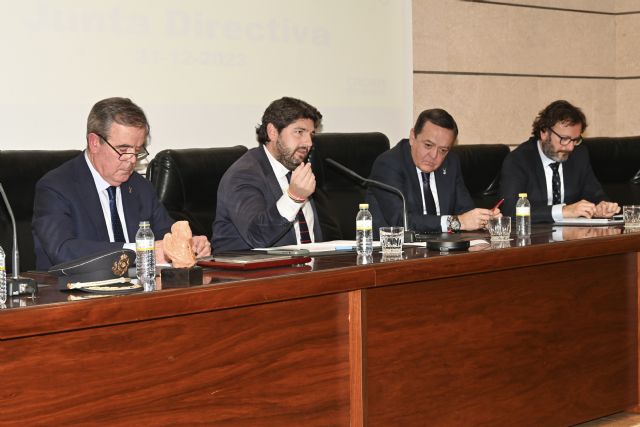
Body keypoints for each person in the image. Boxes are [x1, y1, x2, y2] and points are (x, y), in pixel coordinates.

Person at [32, 97, 211, 270]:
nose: (131, 160)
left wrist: (190, 244)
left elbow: (165, 233)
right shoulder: (56, 187)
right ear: (94, 143)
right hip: (73, 294)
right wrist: (140, 252)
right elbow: (62, 250)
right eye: (123, 150)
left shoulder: (140, 187)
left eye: (137, 151)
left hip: (136, 292)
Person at [213, 96, 323, 251]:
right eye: (299, 132)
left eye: (311, 134)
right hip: (255, 274)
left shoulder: (297, 170)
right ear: (272, 132)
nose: (308, 143)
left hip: (307, 270)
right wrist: (293, 198)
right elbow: (257, 236)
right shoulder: (243, 174)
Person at [366, 108, 498, 234]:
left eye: (443, 150)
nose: (434, 156)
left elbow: (465, 210)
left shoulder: (451, 162)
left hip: (441, 249)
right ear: (412, 137)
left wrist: (483, 219)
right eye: (428, 145)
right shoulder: (388, 164)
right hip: (396, 251)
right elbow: (401, 221)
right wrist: (456, 222)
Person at [499, 100, 619, 223]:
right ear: (544, 133)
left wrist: (603, 206)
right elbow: (510, 211)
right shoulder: (518, 160)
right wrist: (563, 211)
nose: (570, 147)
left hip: (572, 237)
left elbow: (595, 194)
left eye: (575, 140)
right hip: (535, 238)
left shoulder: (579, 155)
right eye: (565, 139)